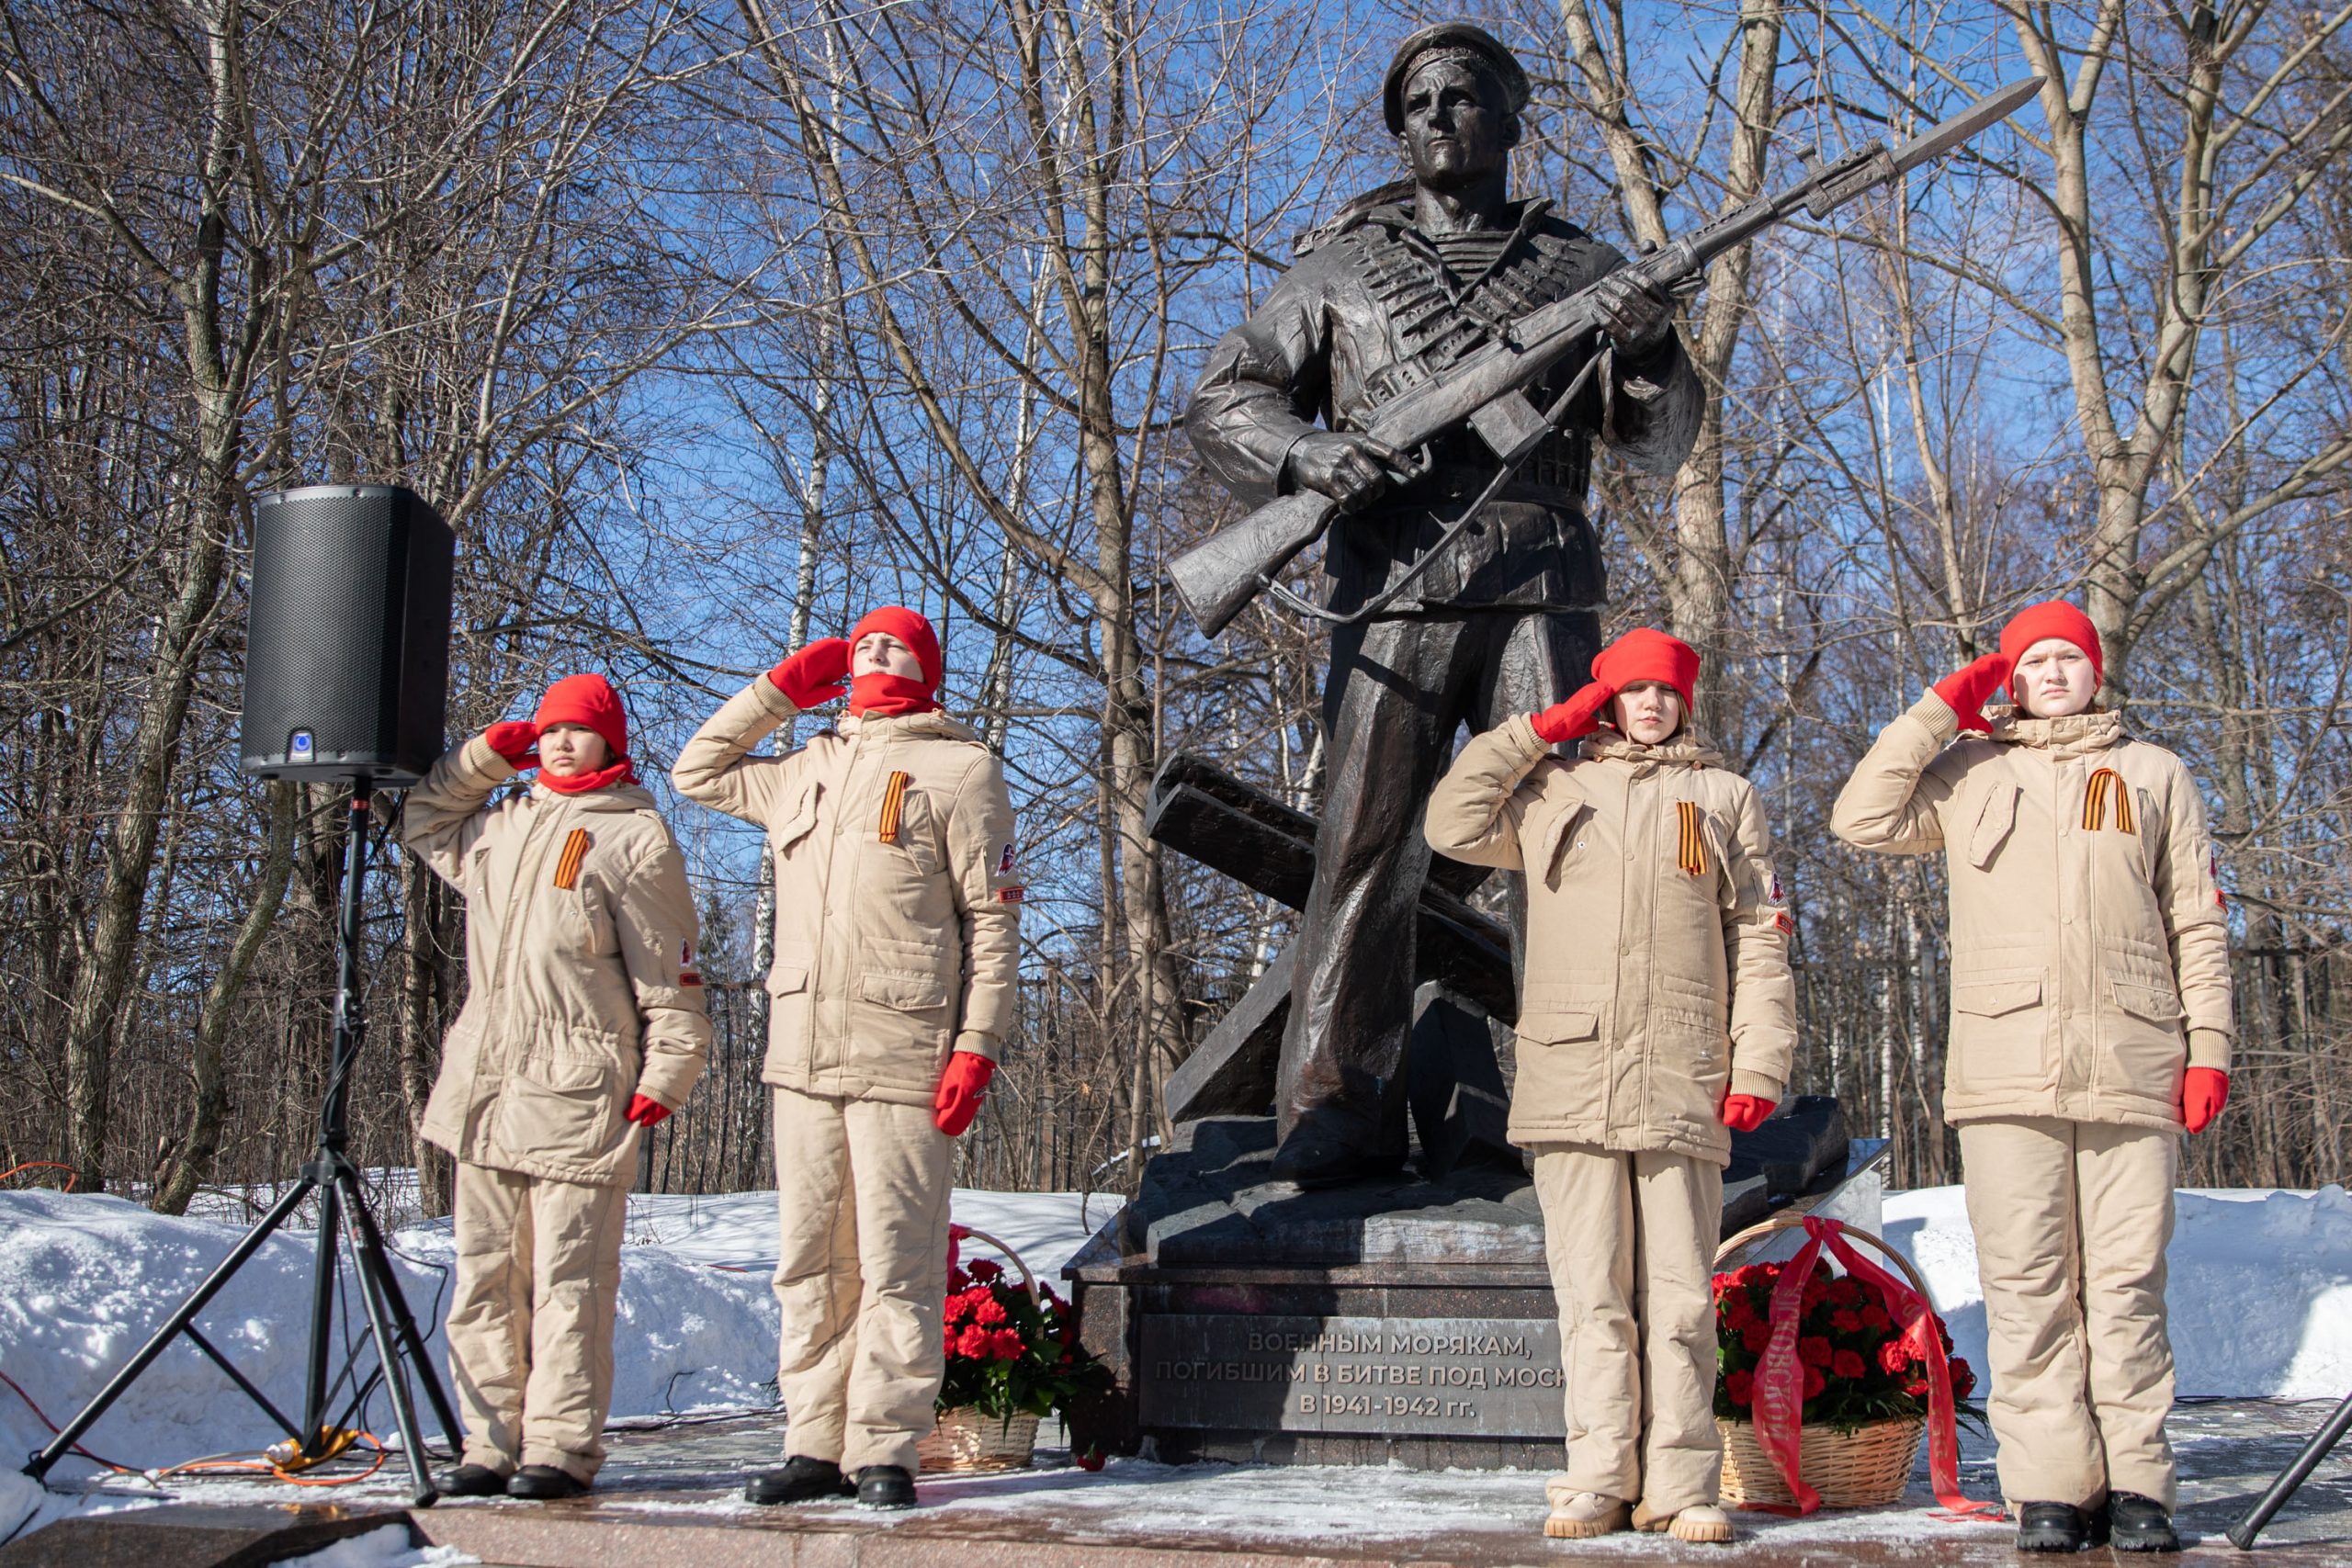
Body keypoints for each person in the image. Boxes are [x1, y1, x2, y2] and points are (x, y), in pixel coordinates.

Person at [1183, 22, 1704, 1185]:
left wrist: (1650, 348)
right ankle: (1335, 1104)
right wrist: (1307, 455)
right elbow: (1225, 396)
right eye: (1416, 103)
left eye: (1461, 97)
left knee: (1566, 846)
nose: (1435, 118)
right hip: (1394, 583)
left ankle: (1587, 1094)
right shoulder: (1339, 271)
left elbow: (1658, 441)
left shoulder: (1584, 268)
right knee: (1365, 845)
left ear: (1511, 120)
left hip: (1541, 585)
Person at [1830, 601, 2233, 1553]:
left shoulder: (2153, 772)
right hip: (2004, 1068)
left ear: (2096, 671)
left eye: (2068, 658)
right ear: (2008, 680)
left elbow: (2196, 917)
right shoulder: (1969, 770)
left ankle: (2137, 1484)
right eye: (2033, 661)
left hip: (2134, 1060)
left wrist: (2208, 1045)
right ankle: (2051, 1486)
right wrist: (1940, 707)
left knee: (2126, 1285)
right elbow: (1861, 816)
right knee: (2026, 1285)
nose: (2052, 674)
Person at [1425, 628, 1794, 1544]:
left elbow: (1759, 938)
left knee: (1678, 1299)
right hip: (1571, 1069)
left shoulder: (1723, 797)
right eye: (1633, 690)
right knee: (1590, 1293)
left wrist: (1758, 1062)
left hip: (1681, 1072)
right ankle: (1596, 1478)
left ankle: (1680, 1486)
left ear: (1686, 702)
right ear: (1607, 701)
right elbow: (1450, 823)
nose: (1651, 705)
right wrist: (1534, 732)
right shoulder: (1552, 788)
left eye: (1665, 691)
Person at [673, 606, 1021, 1510]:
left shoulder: (962, 769)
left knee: (898, 1260)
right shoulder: (804, 766)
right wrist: (776, 693)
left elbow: (991, 923)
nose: (871, 651)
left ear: (926, 667)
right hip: (802, 1055)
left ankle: (884, 1449)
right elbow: (695, 771)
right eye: (862, 642)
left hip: (905, 1052)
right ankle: (813, 1445)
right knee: (809, 1262)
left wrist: (976, 1044)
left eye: (892, 643)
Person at [401, 673, 711, 1500]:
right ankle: (486, 1443)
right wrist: (479, 759)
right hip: (488, 1087)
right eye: (548, 730)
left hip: (580, 1094)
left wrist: (668, 1071)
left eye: (578, 729)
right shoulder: (501, 824)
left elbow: (671, 976)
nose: (561, 742)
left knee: (570, 1283)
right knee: (484, 1279)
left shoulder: (636, 837)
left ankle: (560, 1447)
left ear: (611, 741)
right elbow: (423, 819)